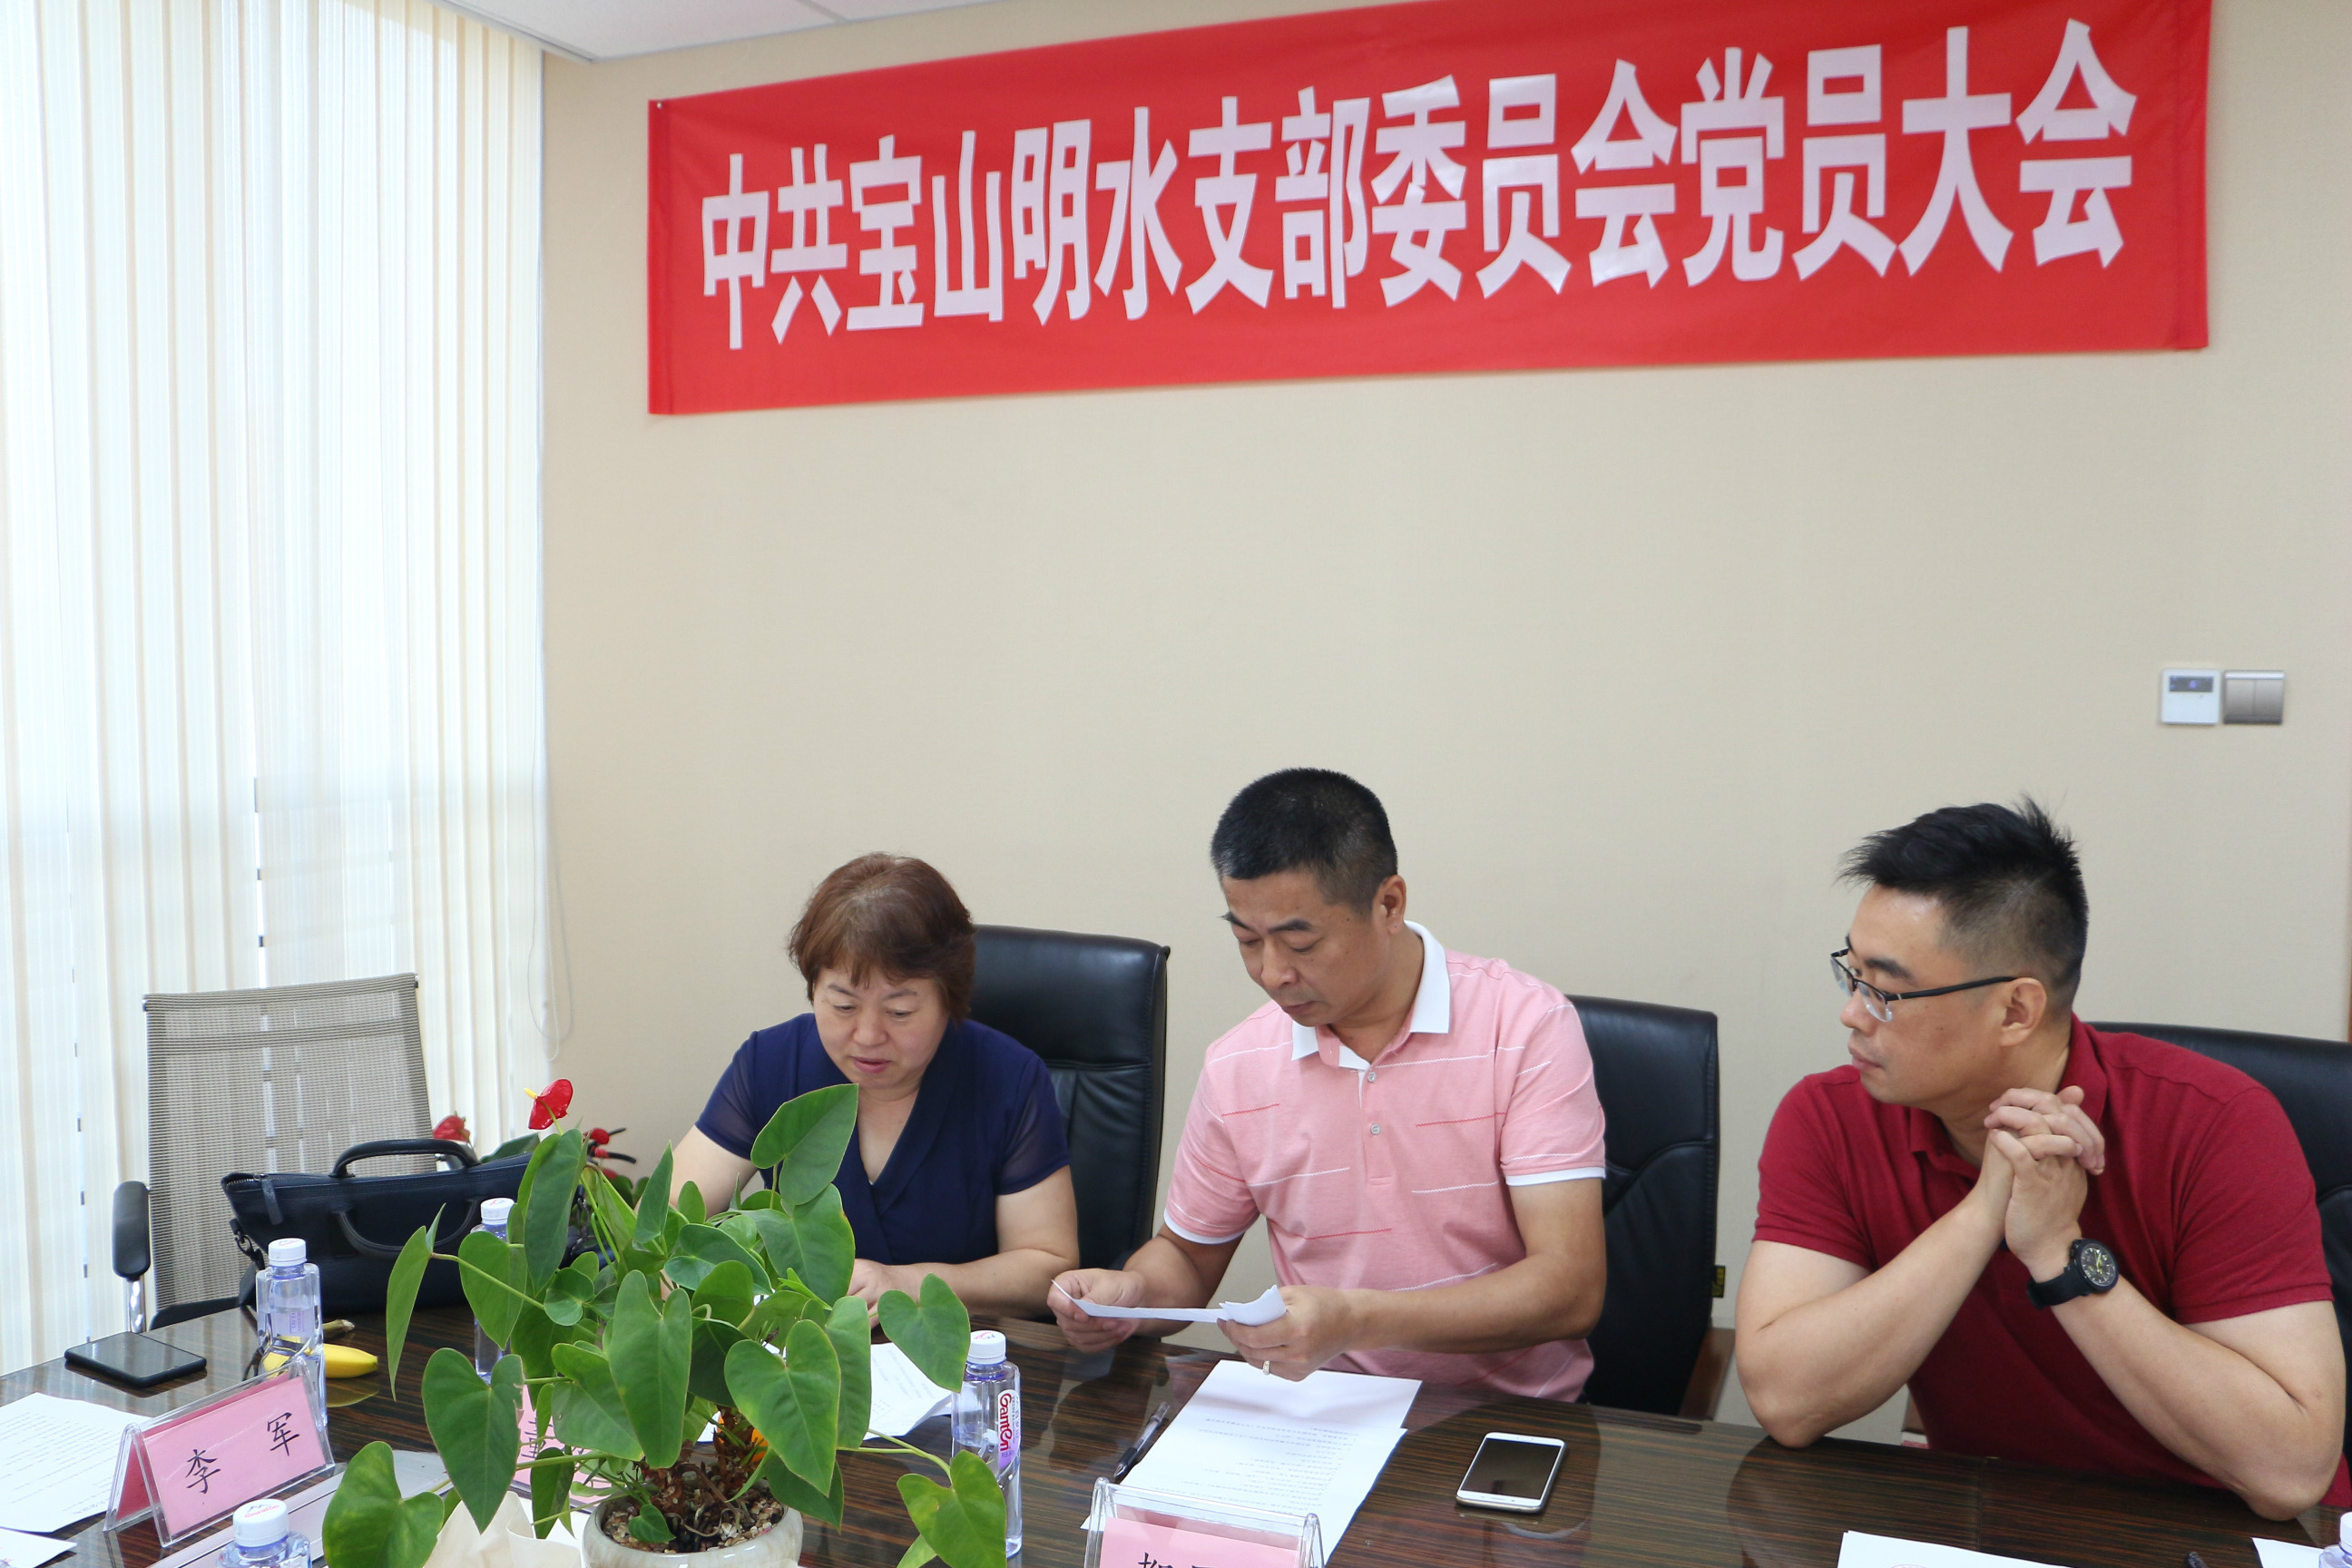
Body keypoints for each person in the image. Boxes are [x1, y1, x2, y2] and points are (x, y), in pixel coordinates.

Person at [1736, 800, 2347, 1519]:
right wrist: (1983, 1212)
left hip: (2210, 1532)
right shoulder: (1830, 1116)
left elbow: (2288, 1472)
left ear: (2016, 1011)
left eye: (1886, 991)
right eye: (1853, 973)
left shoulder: (2215, 1123)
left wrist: (2059, 1253)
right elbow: (1787, 1402)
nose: (1852, 1014)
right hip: (1990, 1520)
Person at [1048, 768, 1607, 1396]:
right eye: (1247, 940)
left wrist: (1357, 1320)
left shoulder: (1525, 1027)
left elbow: (1570, 1289)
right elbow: (1187, 1256)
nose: (1271, 974)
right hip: (1323, 1411)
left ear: (1388, 905)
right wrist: (1133, 1294)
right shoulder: (1240, 1063)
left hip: (1506, 1414)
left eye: (1300, 943)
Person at [671, 853, 1079, 1317]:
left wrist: (905, 1283)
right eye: (843, 1006)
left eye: (899, 1012)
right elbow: (671, 1215)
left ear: (949, 999)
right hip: (807, 1348)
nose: (867, 1036)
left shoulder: (1008, 1078)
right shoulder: (771, 1062)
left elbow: (1046, 1267)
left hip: (958, 1352)